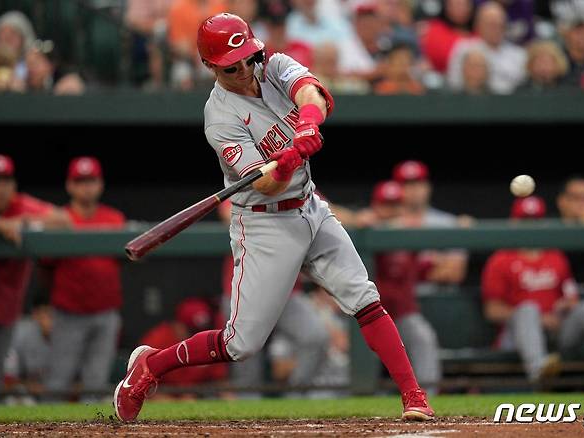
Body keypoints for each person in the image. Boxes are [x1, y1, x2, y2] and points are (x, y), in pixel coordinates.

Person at [114, 13, 434, 422]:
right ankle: (151, 366)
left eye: (249, 57)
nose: (245, 69)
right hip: (264, 223)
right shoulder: (220, 118)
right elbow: (263, 185)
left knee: (364, 297)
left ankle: (413, 396)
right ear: (210, 66)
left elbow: (313, 93)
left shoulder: (274, 65)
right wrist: (282, 166)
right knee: (240, 344)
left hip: (310, 207)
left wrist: (307, 127)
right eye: (232, 65)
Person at [481, 196, 584, 385]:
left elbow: (572, 298)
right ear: (514, 222)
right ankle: (539, 372)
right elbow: (492, 311)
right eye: (525, 221)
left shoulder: (555, 256)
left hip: (556, 329)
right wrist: (538, 318)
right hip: (518, 333)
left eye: (535, 221)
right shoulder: (501, 259)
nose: (530, 227)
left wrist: (564, 307)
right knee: (528, 310)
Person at [0, 154, 70, 393]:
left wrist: (22, 221)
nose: (0, 187)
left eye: (5, 180)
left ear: (13, 186)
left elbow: (64, 221)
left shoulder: (21, 206)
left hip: (5, 302)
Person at [217, 200, 330, 395]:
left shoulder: (296, 186)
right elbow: (228, 213)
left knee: (316, 337)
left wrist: (360, 217)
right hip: (245, 291)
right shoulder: (246, 189)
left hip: (287, 293)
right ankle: (246, 408)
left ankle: (296, 398)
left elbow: (327, 211)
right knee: (245, 354)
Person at [44, 157, 124, 399]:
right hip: (68, 312)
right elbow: (44, 266)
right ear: (70, 185)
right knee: (58, 381)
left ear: (100, 184)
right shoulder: (58, 218)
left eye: (91, 181)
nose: (86, 187)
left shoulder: (114, 218)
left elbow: (131, 259)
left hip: (105, 312)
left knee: (96, 383)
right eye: (80, 181)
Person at [370, 181, 442, 394]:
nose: (391, 212)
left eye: (396, 205)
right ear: (376, 206)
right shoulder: (366, 229)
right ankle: (362, 396)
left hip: (403, 313)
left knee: (423, 336)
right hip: (368, 316)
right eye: (386, 205)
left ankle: (430, 395)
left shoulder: (410, 235)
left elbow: (432, 267)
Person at [392, 160, 469, 293]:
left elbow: (454, 273)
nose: (414, 190)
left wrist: (405, 271)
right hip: (398, 301)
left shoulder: (448, 222)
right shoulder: (386, 223)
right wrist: (433, 264)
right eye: (407, 185)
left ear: (428, 186)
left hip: (439, 298)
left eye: (418, 184)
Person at [140, 298, 228, 392]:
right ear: (177, 324)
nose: (197, 336)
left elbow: (220, 380)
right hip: (163, 394)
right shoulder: (157, 341)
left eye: (201, 332)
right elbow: (141, 387)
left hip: (197, 396)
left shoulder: (209, 342)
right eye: (191, 331)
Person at [447, 1, 526, 94]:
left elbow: (524, 86)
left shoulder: (519, 54)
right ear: (478, 25)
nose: (496, 29)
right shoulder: (464, 48)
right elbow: (454, 82)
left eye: (500, 25)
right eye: (491, 25)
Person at [419, 0, 474, 73]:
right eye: (457, 5)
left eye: (465, 5)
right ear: (447, 7)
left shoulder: (478, 30)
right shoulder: (434, 29)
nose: (461, 9)